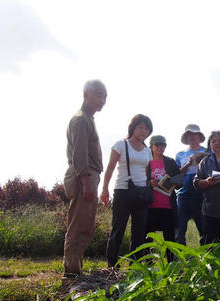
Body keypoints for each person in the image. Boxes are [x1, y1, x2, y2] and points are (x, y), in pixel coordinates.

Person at [63, 79, 107, 277]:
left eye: (105, 96)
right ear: (85, 95)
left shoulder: (89, 119)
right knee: (79, 223)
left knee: (87, 224)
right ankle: (71, 270)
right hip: (84, 176)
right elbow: (79, 155)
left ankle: (76, 265)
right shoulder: (81, 119)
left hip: (89, 176)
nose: (102, 100)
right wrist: (86, 182)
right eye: (98, 95)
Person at [100, 114, 153, 268]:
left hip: (142, 193)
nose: (144, 131)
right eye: (141, 127)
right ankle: (112, 265)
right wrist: (104, 189)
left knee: (138, 232)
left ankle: (134, 266)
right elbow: (110, 167)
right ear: (133, 128)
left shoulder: (147, 150)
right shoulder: (121, 145)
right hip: (123, 190)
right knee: (118, 228)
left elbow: (147, 171)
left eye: (147, 129)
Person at [144, 135, 180, 261]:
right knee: (148, 237)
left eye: (163, 145)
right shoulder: (146, 162)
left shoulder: (170, 162)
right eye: (157, 145)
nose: (160, 147)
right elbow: (140, 180)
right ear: (151, 146)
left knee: (169, 238)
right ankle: (147, 264)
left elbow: (179, 182)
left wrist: (172, 182)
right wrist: (149, 182)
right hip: (150, 205)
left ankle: (170, 264)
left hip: (168, 206)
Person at [175, 124, 207, 245]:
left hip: (202, 195)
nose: (192, 137)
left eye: (194, 134)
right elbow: (176, 174)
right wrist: (188, 164)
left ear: (200, 136)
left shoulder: (207, 152)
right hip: (183, 195)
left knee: (204, 229)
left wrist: (201, 161)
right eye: (189, 135)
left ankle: (206, 258)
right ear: (186, 138)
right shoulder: (180, 154)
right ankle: (179, 259)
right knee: (179, 227)